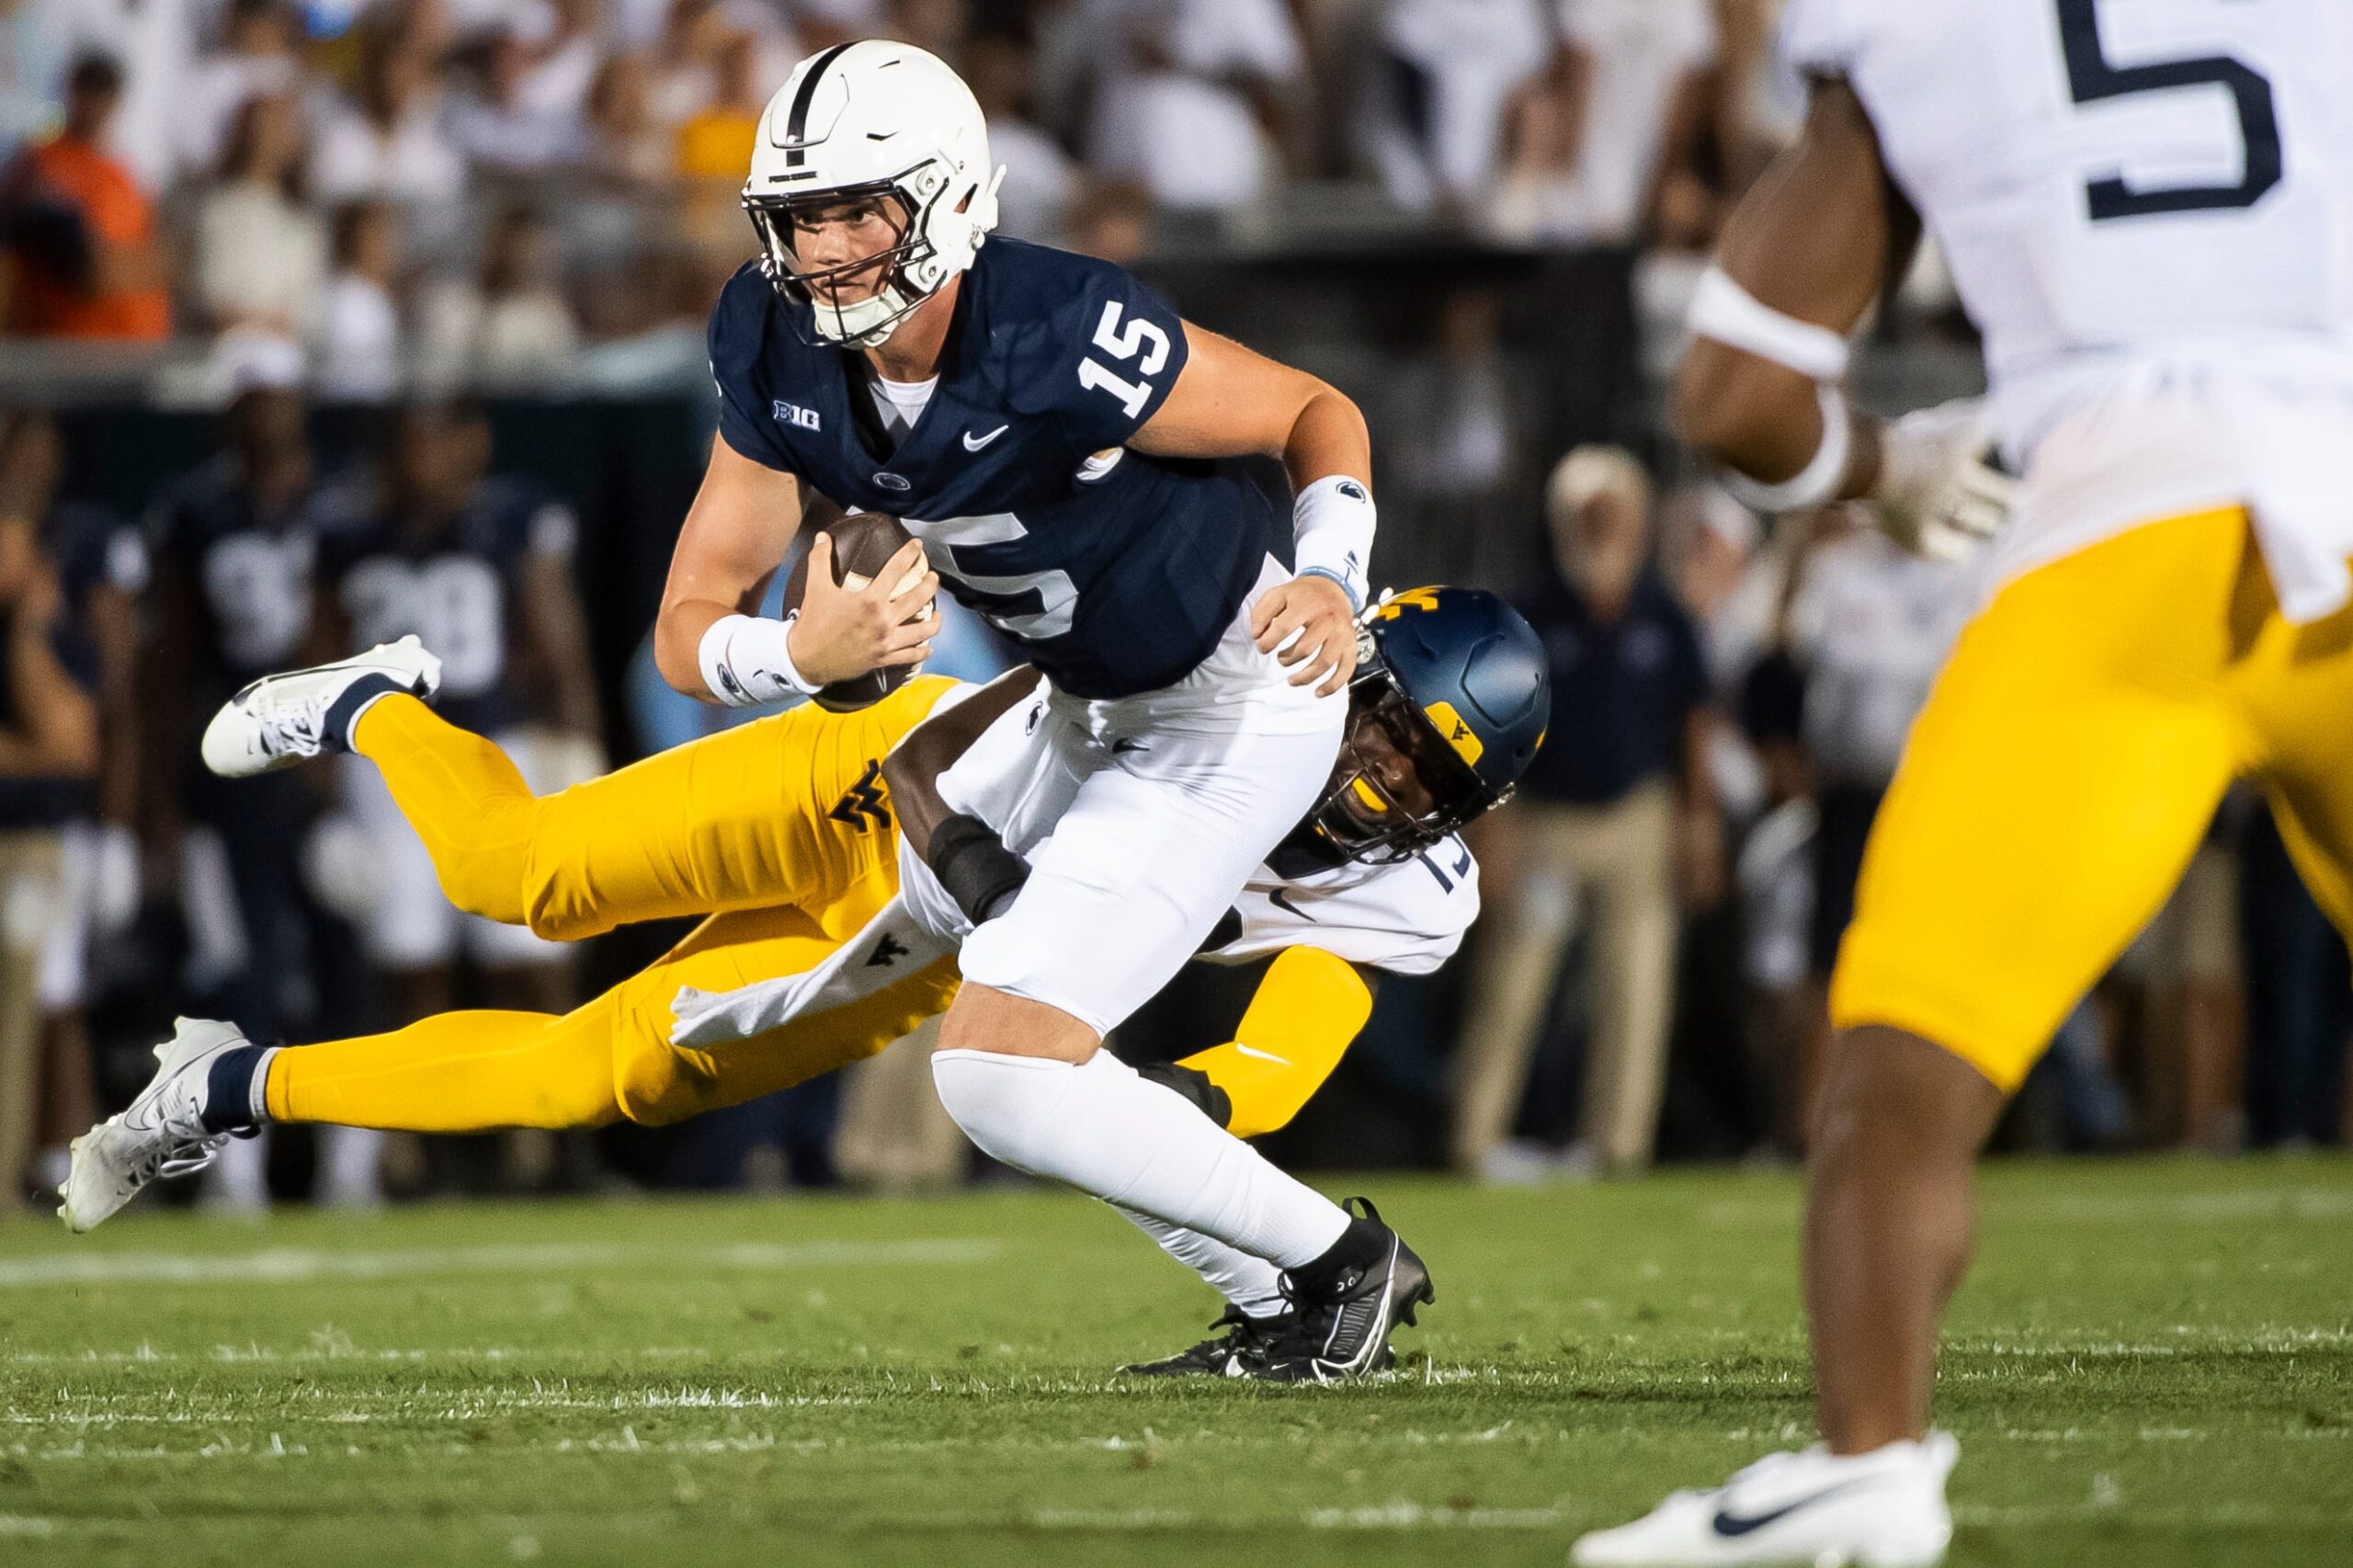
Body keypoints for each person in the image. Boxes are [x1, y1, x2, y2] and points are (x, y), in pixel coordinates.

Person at [1575, 2, 2347, 1563]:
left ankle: (1866, 1469)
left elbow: (1736, 396)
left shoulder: (1925, 21)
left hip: (2118, 530)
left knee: (1902, 1076)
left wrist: (1884, 467)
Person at [62, 585, 1550, 1381]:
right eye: (1389, 727)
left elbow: (1304, 1025)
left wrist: (1187, 1108)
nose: (1377, 775)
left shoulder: (1415, 885)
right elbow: (931, 759)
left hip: (929, 946)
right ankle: (374, 701)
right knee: (515, 875)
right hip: (890, 794)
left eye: (1423, 775)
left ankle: (221, 1080)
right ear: (1349, 673)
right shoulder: (1227, 676)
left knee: (595, 1080)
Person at [650, 40, 1414, 1382]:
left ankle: (1341, 1268)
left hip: (1233, 695)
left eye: (854, 211)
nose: (821, 251)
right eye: (798, 217)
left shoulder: (1054, 325)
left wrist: (1337, 578)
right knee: (968, 972)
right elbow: (687, 622)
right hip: (1085, 702)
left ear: (943, 199)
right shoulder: (769, 338)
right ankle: (1287, 1291)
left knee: (997, 1068)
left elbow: (1311, 407)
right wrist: (798, 654)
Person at [1451, 445, 1717, 1181]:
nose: (1601, 529)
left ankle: (1619, 1147)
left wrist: (1699, 824)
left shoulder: (1663, 612)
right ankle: (1476, 1139)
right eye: (1587, 515)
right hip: (1546, 821)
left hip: (1639, 814)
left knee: (1637, 988)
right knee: (1512, 985)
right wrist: (1491, 824)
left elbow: (1693, 723)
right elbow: (1488, 721)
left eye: (1613, 513)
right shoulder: (1531, 611)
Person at [1, 52, 168, 340]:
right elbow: (91, 271)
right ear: (72, 88)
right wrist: (149, 266)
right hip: (68, 351)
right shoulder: (41, 163)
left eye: (106, 89)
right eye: (90, 86)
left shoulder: (124, 172)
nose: (98, 99)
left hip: (133, 347)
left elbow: (165, 256)